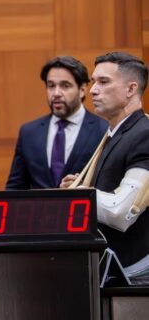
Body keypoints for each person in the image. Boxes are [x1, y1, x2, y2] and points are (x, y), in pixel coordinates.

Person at [62, 52, 149, 270]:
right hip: (109, 269)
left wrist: (79, 195)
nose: (93, 90)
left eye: (103, 82)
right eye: (94, 82)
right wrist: (81, 186)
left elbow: (122, 212)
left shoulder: (144, 134)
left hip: (134, 275)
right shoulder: (115, 134)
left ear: (131, 89)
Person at [6, 56, 106, 189]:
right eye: (51, 86)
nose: (56, 93)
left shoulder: (103, 130)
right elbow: (15, 188)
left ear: (82, 89)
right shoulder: (29, 132)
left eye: (65, 86)